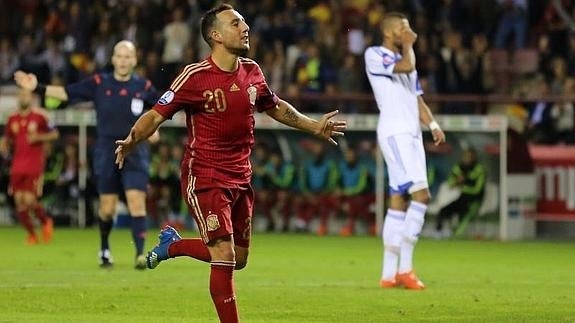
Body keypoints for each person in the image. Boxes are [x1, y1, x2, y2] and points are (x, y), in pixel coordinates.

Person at [114, 4, 346, 322]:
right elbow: (156, 114)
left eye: (244, 21)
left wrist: (314, 126)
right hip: (205, 175)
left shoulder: (252, 71)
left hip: (241, 177)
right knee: (224, 253)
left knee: (239, 259)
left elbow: (275, 106)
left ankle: (174, 246)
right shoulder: (194, 76)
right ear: (215, 35)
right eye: (235, 23)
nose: (244, 27)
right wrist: (132, 140)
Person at [13, 40, 160, 269]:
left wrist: (154, 129)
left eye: (127, 56)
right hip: (106, 149)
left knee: (136, 201)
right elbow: (66, 92)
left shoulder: (143, 86)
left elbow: (161, 110)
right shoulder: (100, 82)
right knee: (107, 207)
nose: (122, 60)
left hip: (135, 149)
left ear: (134, 60)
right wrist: (38, 87)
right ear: (112, 59)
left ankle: (140, 255)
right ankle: (104, 249)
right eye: (119, 56)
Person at [364, 12, 446, 290]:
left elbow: (416, 97)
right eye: (404, 28)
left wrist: (432, 123)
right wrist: (410, 46)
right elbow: (405, 66)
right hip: (395, 132)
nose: (409, 32)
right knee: (421, 195)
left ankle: (388, 274)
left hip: (412, 133)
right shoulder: (374, 54)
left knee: (399, 198)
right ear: (390, 33)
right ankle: (406, 269)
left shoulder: (407, 62)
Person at [0, 88, 59, 244]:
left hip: (34, 164)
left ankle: (46, 221)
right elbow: (8, 139)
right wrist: (4, 144)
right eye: (21, 95)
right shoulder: (12, 118)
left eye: (26, 95)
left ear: (31, 98)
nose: (23, 98)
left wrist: (39, 137)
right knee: (19, 201)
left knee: (30, 200)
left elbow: (55, 133)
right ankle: (32, 234)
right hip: (17, 165)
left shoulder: (40, 116)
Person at [435, 147, 486, 238]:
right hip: (460, 199)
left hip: (474, 201)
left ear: (474, 157)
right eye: (466, 156)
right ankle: (438, 233)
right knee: (443, 211)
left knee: (465, 215)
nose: (468, 159)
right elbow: (450, 183)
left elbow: (477, 189)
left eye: (470, 157)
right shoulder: (458, 168)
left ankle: (457, 235)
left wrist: (462, 186)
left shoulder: (479, 170)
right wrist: (457, 182)